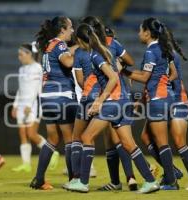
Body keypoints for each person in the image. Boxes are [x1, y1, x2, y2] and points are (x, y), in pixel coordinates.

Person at [67, 23, 159, 194]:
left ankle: (83, 183)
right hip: (124, 101)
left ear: (80, 40)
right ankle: (150, 180)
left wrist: (99, 101)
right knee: (128, 143)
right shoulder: (106, 50)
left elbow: (112, 78)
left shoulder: (95, 55)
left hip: (113, 102)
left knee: (86, 136)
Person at [82, 16, 138, 191]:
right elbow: (130, 62)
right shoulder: (113, 42)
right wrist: (121, 67)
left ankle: (124, 179)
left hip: (111, 96)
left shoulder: (93, 49)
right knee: (120, 139)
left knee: (113, 140)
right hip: (123, 94)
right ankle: (130, 179)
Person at [140, 30, 188, 190]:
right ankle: (172, 172)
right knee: (146, 137)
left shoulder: (166, 53)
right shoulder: (164, 52)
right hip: (170, 98)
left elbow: (171, 78)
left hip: (176, 99)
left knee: (179, 142)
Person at [123, 17, 179, 190]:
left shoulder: (150, 51)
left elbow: (145, 77)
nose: (139, 33)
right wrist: (161, 84)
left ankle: (171, 180)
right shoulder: (162, 48)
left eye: (140, 30)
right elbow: (173, 74)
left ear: (147, 33)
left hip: (158, 99)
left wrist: (124, 72)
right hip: (164, 96)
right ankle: (172, 172)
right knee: (146, 137)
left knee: (162, 142)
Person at [29, 16, 78, 190]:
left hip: (47, 97)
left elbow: (62, 54)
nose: (73, 30)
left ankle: (39, 179)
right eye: (70, 27)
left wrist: (75, 47)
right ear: (62, 29)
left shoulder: (49, 45)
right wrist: (80, 54)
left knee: (52, 139)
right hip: (62, 96)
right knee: (70, 139)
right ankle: (74, 180)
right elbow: (67, 61)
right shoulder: (60, 45)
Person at [11, 42, 59, 173]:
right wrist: (15, 105)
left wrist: (28, 105)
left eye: (21, 54)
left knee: (31, 134)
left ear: (29, 54)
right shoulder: (21, 69)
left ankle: (53, 153)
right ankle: (26, 164)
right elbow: (21, 89)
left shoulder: (37, 68)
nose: (19, 57)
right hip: (21, 105)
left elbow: (35, 89)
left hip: (33, 105)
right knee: (23, 134)